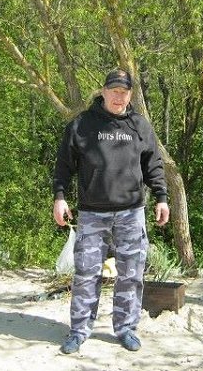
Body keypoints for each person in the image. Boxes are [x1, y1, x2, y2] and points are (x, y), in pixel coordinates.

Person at [52, 69, 170, 354]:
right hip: (92, 214)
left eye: (124, 92)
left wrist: (162, 197)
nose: (119, 97)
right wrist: (60, 197)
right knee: (86, 274)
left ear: (130, 95)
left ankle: (126, 328)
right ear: (103, 91)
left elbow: (153, 165)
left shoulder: (139, 126)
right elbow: (63, 165)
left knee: (131, 274)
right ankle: (79, 330)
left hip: (131, 213)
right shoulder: (82, 125)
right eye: (114, 91)